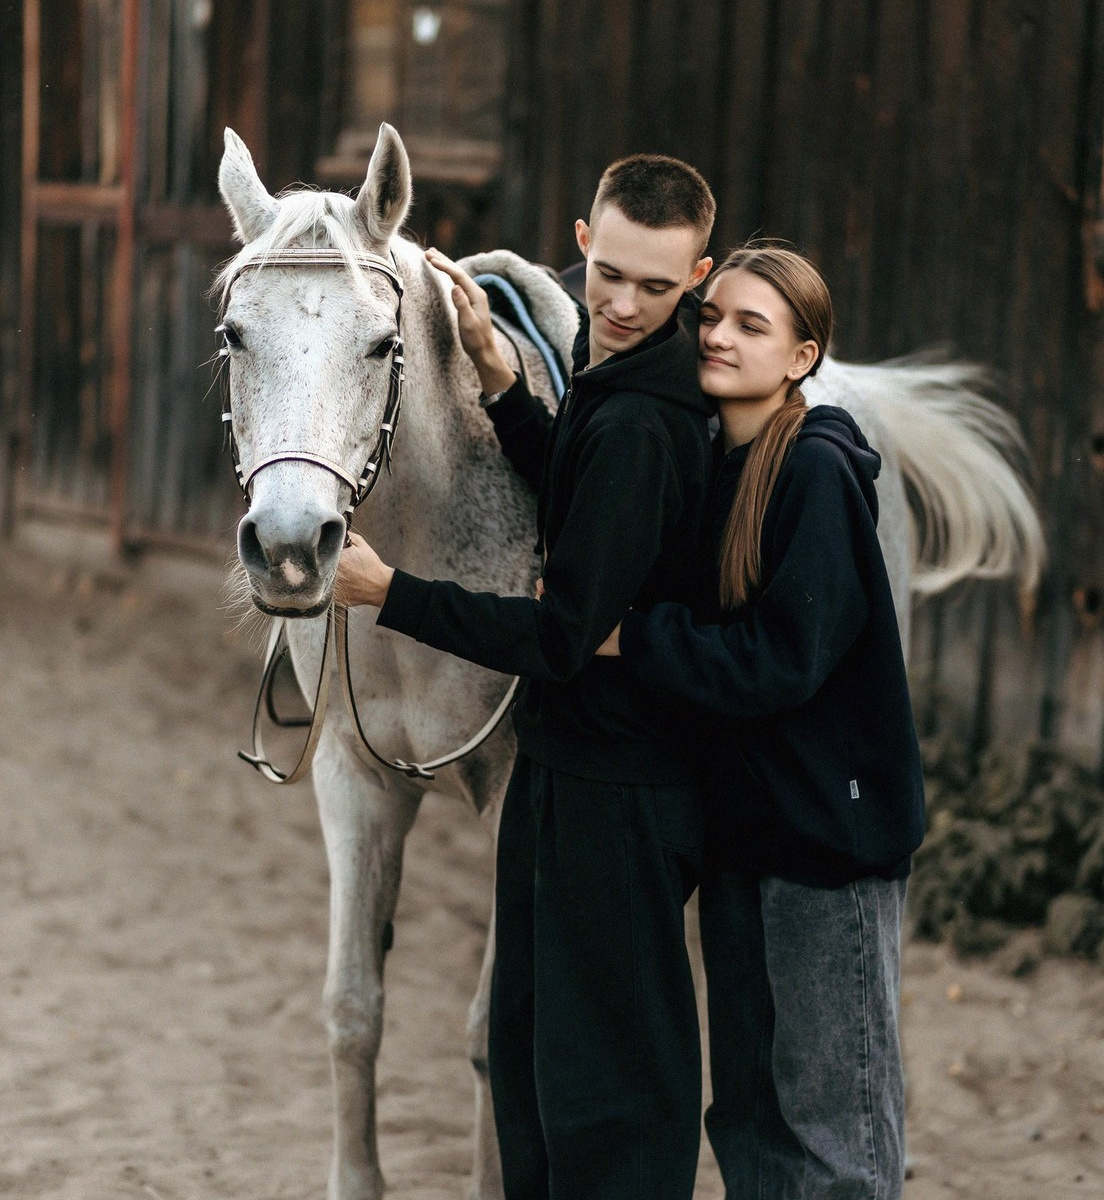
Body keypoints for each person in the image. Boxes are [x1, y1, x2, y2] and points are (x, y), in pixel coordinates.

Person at [335, 154, 717, 1200]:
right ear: (583, 242)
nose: (625, 304)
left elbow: (560, 636)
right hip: (566, 769)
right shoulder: (613, 378)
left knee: (603, 1085)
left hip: (620, 789)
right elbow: (580, 496)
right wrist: (504, 384)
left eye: (656, 286)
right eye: (611, 275)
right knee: (532, 1056)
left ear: (697, 276)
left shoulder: (645, 417)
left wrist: (391, 592)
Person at [596, 244, 926, 1200]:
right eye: (715, 316)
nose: (720, 336)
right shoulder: (716, 465)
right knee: (746, 1116)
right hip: (745, 837)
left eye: (753, 325)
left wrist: (632, 642)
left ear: (802, 357)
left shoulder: (816, 471)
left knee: (835, 1128)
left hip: (828, 843)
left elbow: (781, 662)